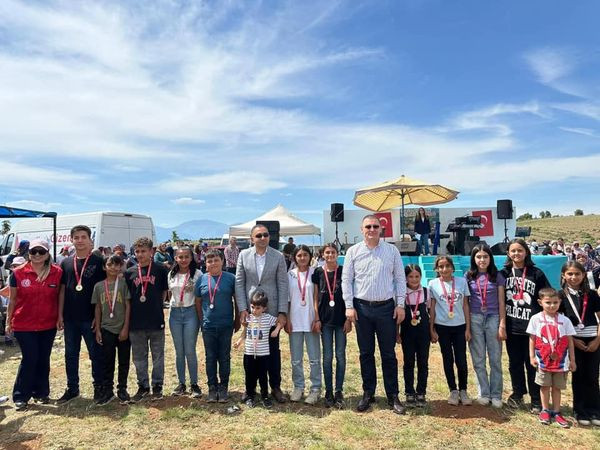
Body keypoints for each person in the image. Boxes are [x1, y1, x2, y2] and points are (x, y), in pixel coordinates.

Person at [342, 214, 406, 414]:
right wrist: (349, 306)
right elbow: (346, 280)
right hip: (362, 309)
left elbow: (400, 279)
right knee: (366, 353)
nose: (372, 229)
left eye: (375, 226)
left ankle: (393, 395)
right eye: (368, 226)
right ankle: (368, 393)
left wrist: (401, 305)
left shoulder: (392, 251)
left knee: (388, 354)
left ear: (381, 229)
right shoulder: (353, 251)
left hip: (386, 308)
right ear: (362, 230)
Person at [5, 239, 62, 411]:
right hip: (24, 324)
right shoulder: (18, 273)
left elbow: (60, 296)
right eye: (33, 251)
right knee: (30, 358)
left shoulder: (57, 272)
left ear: (47, 254)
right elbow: (12, 300)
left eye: (41, 251)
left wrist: (60, 316)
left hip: (48, 324)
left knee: (43, 359)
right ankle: (21, 396)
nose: (37, 254)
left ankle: (41, 393)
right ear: (28, 253)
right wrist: (8, 321)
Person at [235, 224, 289, 403]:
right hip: (251, 311)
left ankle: (275, 387)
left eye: (265, 235)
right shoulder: (243, 255)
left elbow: (283, 284)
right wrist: (242, 309)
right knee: (250, 351)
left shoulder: (278, 256)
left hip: (271, 312)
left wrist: (282, 311)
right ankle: (249, 388)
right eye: (258, 235)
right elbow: (239, 283)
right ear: (252, 238)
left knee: (272, 350)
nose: (263, 238)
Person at [57, 225, 106, 405]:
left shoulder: (99, 261)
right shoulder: (65, 262)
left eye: (83, 237)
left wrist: (98, 317)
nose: (80, 240)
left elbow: (104, 291)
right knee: (71, 355)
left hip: (90, 317)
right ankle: (72, 388)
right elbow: (62, 290)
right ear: (71, 240)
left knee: (95, 354)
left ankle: (99, 387)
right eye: (76, 237)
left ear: (89, 239)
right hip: (70, 318)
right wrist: (60, 314)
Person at [501, 238, 550, 413]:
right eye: (513, 251)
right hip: (512, 326)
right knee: (514, 363)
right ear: (508, 253)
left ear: (526, 252)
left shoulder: (536, 273)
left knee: (532, 364)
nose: (516, 254)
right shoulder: (504, 273)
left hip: (532, 329)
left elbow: (547, 296)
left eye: (520, 250)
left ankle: (536, 399)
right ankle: (518, 393)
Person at [124, 237, 169, 402]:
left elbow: (164, 292)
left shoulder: (160, 270)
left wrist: (156, 306)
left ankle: (157, 386)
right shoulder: (129, 272)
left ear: (151, 251)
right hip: (136, 322)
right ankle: (143, 386)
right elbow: (128, 298)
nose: (140, 254)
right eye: (137, 251)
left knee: (158, 355)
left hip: (156, 320)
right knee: (139, 357)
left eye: (143, 251)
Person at [527, 288, 576, 427]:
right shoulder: (536, 319)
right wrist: (532, 356)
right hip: (542, 361)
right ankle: (545, 410)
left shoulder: (565, 320)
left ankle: (556, 411)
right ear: (540, 302)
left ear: (560, 302)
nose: (552, 305)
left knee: (556, 387)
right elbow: (532, 339)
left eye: (555, 302)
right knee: (544, 386)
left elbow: (570, 341)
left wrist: (572, 360)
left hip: (561, 362)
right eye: (548, 302)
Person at [558, 261, 600, 426]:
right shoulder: (560, 296)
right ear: (564, 275)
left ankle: (594, 410)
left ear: (583, 275)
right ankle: (580, 410)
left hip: (594, 340)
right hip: (573, 341)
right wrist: (573, 341)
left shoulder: (592, 295)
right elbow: (559, 322)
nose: (574, 277)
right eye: (570, 274)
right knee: (578, 376)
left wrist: (597, 340)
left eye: (577, 274)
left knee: (592, 376)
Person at [195, 249, 239, 402]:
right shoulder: (201, 279)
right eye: (209, 261)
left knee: (224, 357)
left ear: (222, 261)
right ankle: (212, 388)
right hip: (208, 326)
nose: (213, 263)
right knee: (210, 357)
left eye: (216, 260)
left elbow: (237, 300)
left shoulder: (230, 278)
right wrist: (202, 321)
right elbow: (198, 302)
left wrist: (237, 320)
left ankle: (223, 387)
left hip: (226, 325)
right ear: (205, 264)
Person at [466, 244, 506, 408]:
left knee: (495, 358)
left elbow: (502, 302)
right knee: (478, 358)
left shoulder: (498, 276)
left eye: (485, 256)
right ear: (473, 259)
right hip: (475, 318)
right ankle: (483, 392)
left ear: (490, 258)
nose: (482, 260)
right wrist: (467, 326)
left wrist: (502, 324)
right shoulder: (469, 276)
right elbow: (466, 302)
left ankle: (496, 394)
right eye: (478, 257)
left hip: (493, 318)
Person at [429, 256, 472, 406]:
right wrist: (432, 329)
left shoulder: (461, 282)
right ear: (437, 269)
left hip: (459, 326)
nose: (444, 269)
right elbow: (432, 308)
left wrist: (468, 328)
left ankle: (463, 390)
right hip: (442, 327)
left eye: (447, 266)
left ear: (452, 267)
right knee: (447, 358)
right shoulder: (433, 284)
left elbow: (466, 305)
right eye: (441, 266)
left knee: (461, 359)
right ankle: (453, 390)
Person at [312, 243, 349, 408]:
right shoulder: (318, 273)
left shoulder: (344, 271)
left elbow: (349, 296)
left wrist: (348, 319)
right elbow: (315, 297)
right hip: (325, 321)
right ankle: (328, 391)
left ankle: (338, 390)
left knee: (340, 356)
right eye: (327, 252)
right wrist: (316, 318)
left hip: (341, 320)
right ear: (322, 255)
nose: (330, 255)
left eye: (333, 252)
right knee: (327, 357)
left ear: (337, 253)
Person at [92, 254, 131, 405]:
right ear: (104, 267)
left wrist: (125, 328)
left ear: (121, 266)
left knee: (123, 360)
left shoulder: (123, 284)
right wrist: (98, 329)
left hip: (122, 328)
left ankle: (122, 388)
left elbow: (128, 306)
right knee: (107, 361)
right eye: (110, 264)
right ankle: (108, 390)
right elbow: (97, 308)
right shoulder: (99, 286)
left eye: (117, 264)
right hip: (106, 328)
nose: (113, 267)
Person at [285, 245, 322, 405]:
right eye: (299, 255)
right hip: (294, 321)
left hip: (310, 320)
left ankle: (315, 389)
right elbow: (287, 300)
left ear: (310, 256)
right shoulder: (290, 275)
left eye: (305, 255)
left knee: (314, 358)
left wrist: (317, 318)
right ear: (295, 258)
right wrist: (287, 319)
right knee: (296, 359)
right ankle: (298, 387)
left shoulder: (315, 272)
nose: (302, 258)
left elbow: (317, 298)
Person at [234, 291, 283, 408]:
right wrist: (239, 341)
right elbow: (245, 332)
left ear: (264, 308)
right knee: (249, 375)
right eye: (252, 307)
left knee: (262, 376)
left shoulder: (268, 318)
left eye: (258, 308)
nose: (254, 310)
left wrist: (276, 331)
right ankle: (250, 395)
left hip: (263, 354)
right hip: (249, 353)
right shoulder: (249, 318)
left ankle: (265, 396)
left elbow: (280, 322)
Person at [168, 246, 202, 398]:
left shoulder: (198, 274)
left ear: (191, 257)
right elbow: (170, 294)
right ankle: (181, 383)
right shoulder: (171, 274)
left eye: (186, 256)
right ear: (175, 258)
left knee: (190, 350)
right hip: (175, 314)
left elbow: (200, 296)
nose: (183, 260)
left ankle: (194, 384)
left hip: (191, 313)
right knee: (179, 351)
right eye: (180, 257)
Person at [399, 265, 430, 407]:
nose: (414, 279)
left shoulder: (426, 292)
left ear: (421, 277)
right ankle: (409, 392)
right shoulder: (401, 294)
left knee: (423, 362)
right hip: (407, 333)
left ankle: (421, 392)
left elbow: (431, 312)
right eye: (410, 276)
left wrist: (432, 331)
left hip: (423, 333)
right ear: (406, 278)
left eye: (417, 276)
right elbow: (397, 316)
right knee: (409, 362)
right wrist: (396, 333)